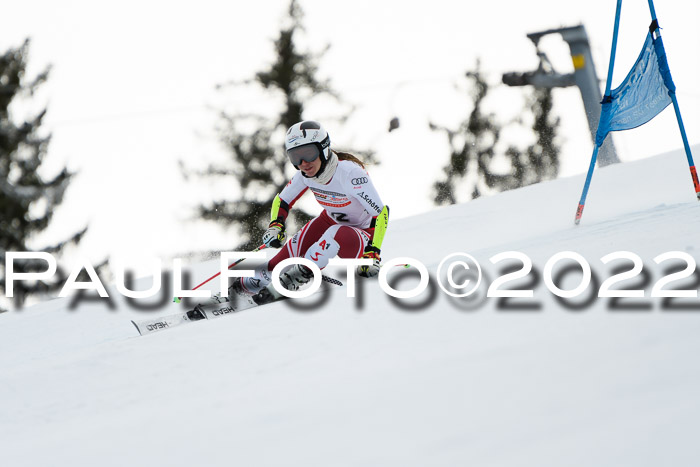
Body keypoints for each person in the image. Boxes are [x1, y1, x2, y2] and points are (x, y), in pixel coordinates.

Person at [229, 120, 390, 304]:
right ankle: (237, 291)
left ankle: (294, 278)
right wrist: (276, 225)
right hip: (328, 221)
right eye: (295, 157)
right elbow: (282, 200)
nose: (303, 163)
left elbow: (382, 213)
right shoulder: (305, 176)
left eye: (308, 153)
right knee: (279, 262)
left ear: (324, 148)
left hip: (361, 237)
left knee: (334, 233)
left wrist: (373, 252)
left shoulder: (350, 174)